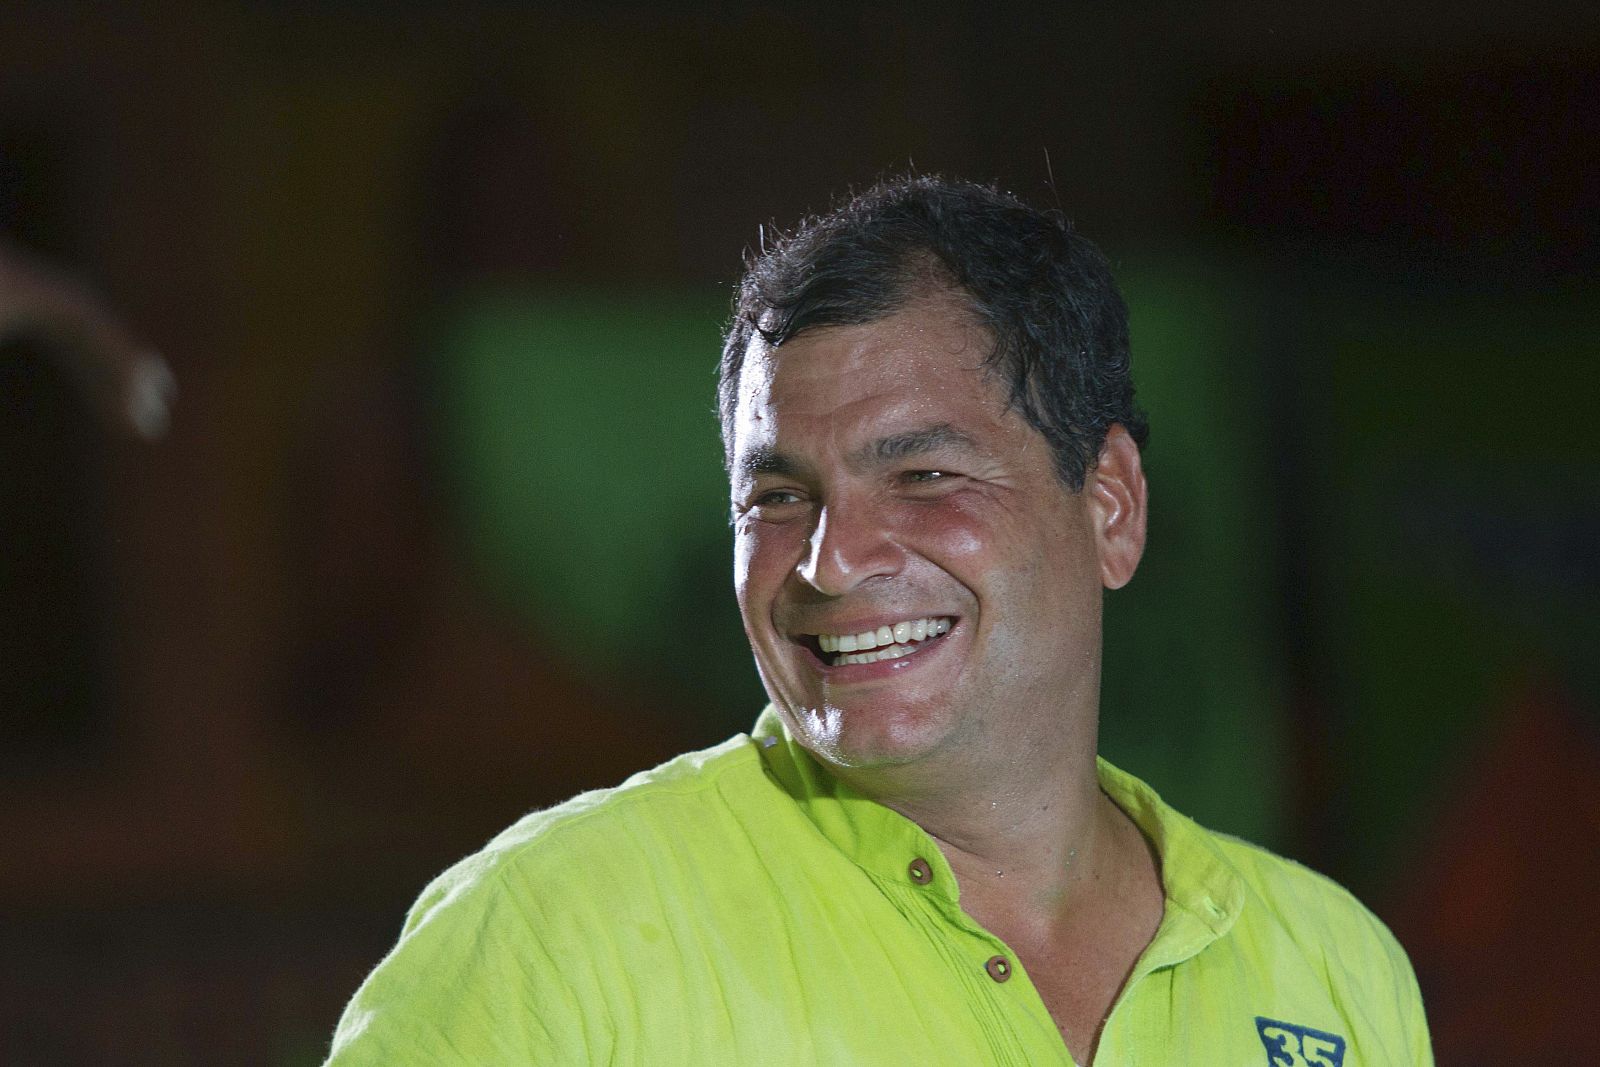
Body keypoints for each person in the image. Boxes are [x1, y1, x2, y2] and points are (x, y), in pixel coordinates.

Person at [325, 176, 1431, 1065]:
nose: (830, 557)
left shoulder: (1329, 967)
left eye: (922, 474)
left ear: (1111, 506)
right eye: (777, 495)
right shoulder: (551, 932)